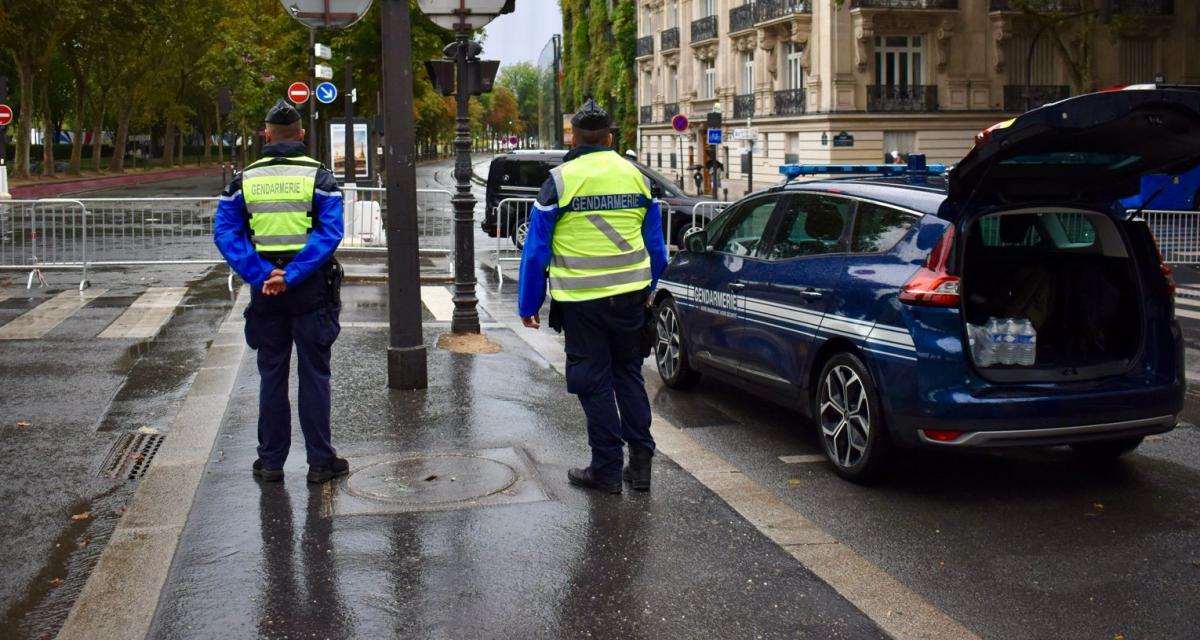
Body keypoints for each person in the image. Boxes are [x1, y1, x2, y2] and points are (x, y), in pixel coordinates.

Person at [517, 100, 669, 494]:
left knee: (592, 381)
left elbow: (536, 252)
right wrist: (648, 288)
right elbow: (658, 250)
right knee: (628, 376)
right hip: (631, 298)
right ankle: (641, 465)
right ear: (610, 138)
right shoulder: (637, 177)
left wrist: (528, 303)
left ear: (573, 136)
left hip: (581, 303)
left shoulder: (560, 181)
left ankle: (604, 468)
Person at [214, 99, 348, 484]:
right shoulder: (319, 177)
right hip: (310, 291)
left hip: (266, 293)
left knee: (271, 374)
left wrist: (263, 274)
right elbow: (330, 233)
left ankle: (271, 462)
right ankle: (320, 463)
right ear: (301, 135)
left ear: (266, 134)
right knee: (314, 375)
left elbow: (225, 233)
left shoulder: (245, 179)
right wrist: (292, 274)